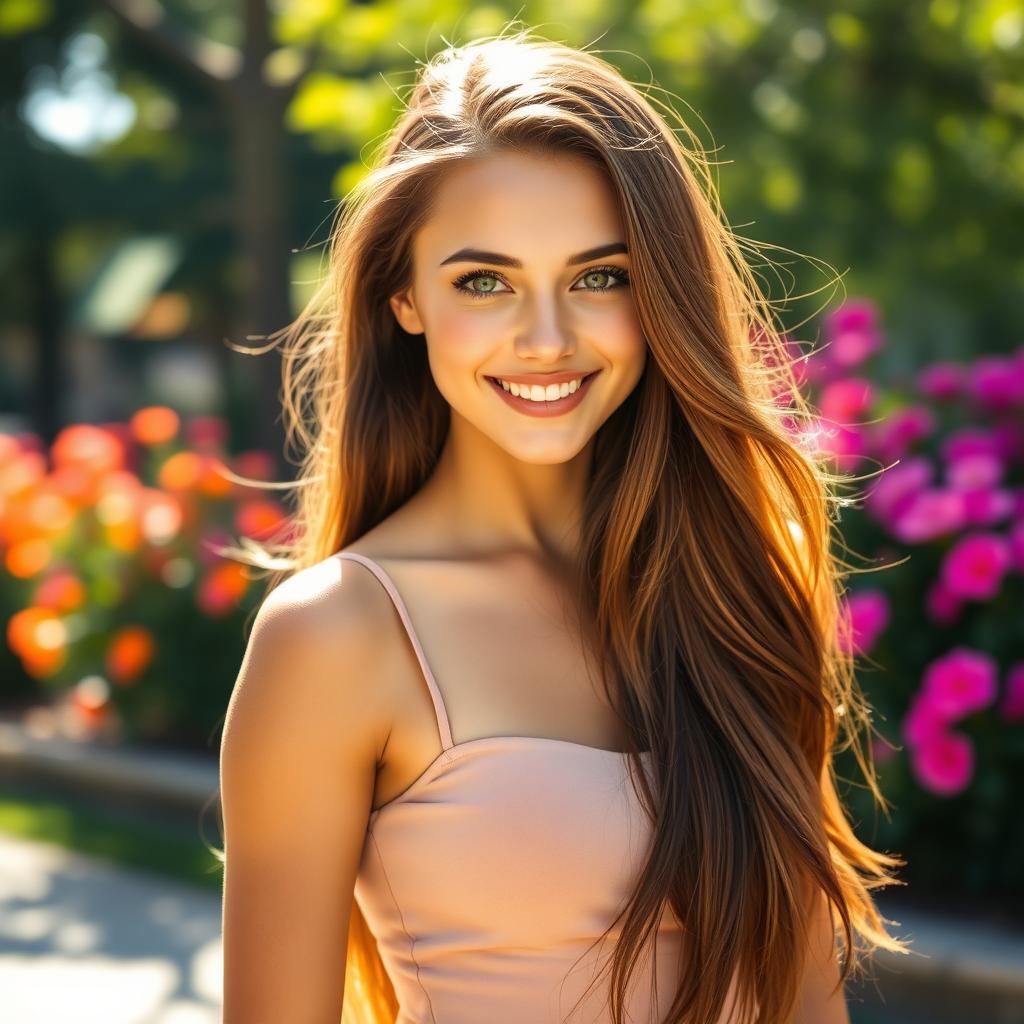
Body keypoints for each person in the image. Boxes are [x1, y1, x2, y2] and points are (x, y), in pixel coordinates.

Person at [215, 29, 912, 1024]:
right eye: (483, 281)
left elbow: (804, 997)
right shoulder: (335, 635)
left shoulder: (730, 586)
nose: (545, 337)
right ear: (403, 296)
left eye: (599, 275)